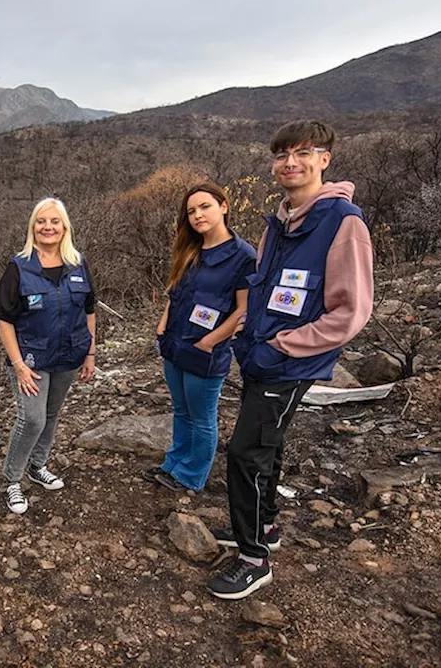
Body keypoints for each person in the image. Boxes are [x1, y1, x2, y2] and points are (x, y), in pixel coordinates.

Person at [207, 120, 374, 600]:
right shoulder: (280, 223)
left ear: (325, 159)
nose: (290, 163)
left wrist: (285, 345)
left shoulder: (343, 224)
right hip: (261, 357)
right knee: (268, 444)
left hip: (289, 363)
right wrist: (247, 334)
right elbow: (265, 289)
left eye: (303, 153)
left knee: (246, 452)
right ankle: (266, 527)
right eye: (281, 155)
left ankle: (254, 557)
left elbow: (352, 312)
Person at [143, 182, 257, 493]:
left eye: (204, 206)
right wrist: (162, 326)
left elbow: (243, 311)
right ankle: (174, 462)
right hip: (175, 342)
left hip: (205, 350)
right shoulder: (190, 249)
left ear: (224, 206)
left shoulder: (243, 256)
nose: (197, 215)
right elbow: (175, 293)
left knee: (202, 416)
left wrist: (209, 342)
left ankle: (192, 475)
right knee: (180, 410)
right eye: (191, 211)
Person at [0, 197, 97, 515]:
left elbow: (89, 310)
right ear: (32, 227)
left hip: (68, 357)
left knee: (51, 416)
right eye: (41, 221)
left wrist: (90, 352)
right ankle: (12, 480)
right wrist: (18, 365)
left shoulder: (78, 262)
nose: (48, 227)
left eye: (54, 221)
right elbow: (4, 320)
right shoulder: (19, 267)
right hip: (32, 361)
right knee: (32, 418)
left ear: (65, 226)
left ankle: (37, 467)